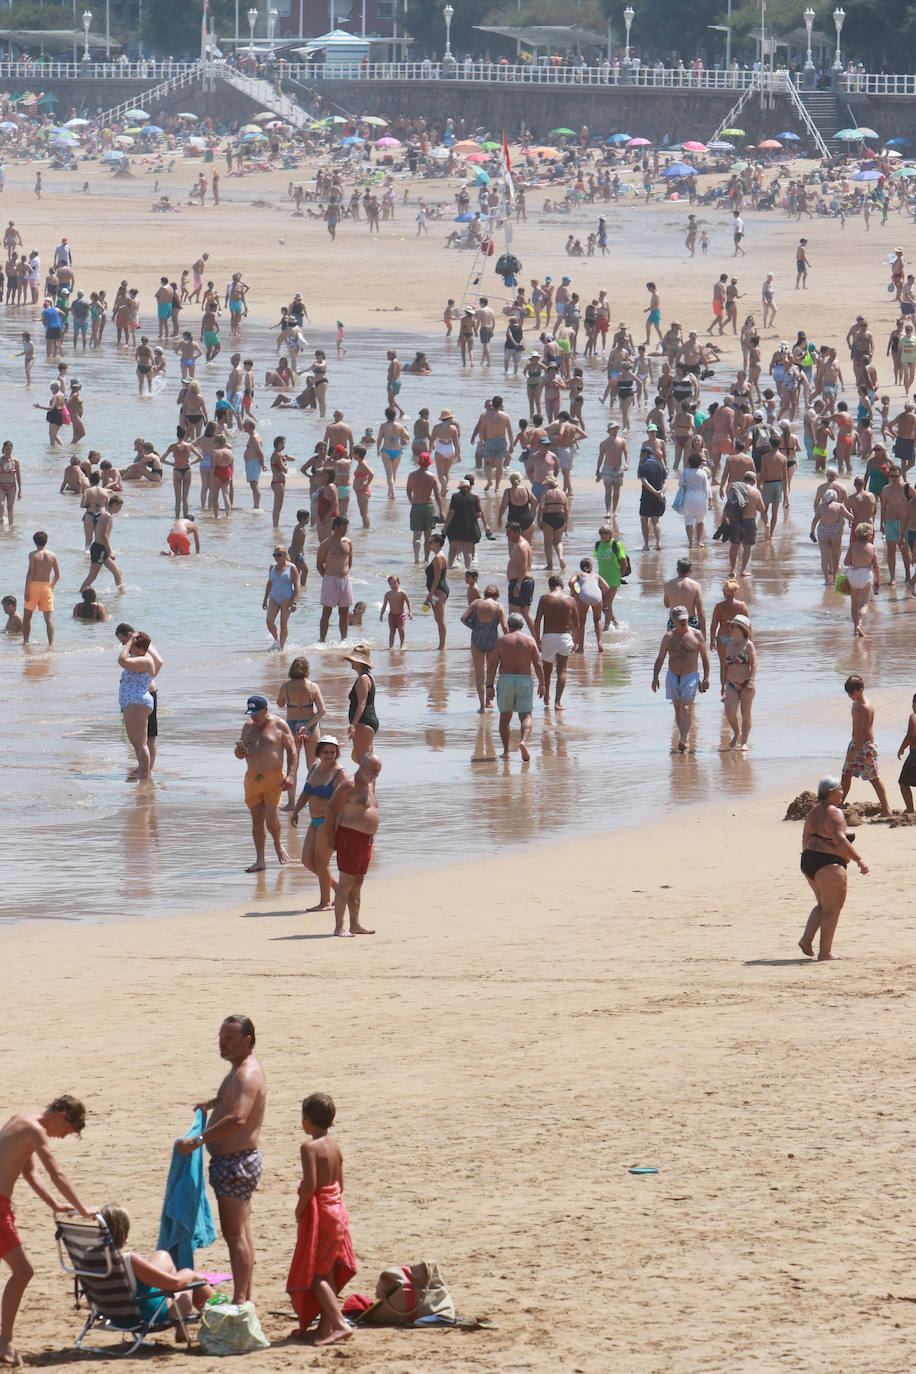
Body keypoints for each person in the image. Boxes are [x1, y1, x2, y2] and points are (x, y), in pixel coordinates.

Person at [176, 1016, 266, 1305]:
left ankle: (241, 1301)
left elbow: (238, 1117)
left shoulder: (246, 1073)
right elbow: (229, 1100)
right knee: (241, 1232)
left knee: (235, 1235)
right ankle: (245, 1297)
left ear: (247, 1041)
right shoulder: (239, 1070)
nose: (222, 1043)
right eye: (220, 1036)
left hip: (236, 1163)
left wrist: (199, 1140)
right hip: (233, 1162)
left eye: (229, 1038)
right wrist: (211, 1105)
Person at [0, 1096, 92, 1368]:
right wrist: (82, 1208)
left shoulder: (20, 1120)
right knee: (23, 1271)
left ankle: (4, 1340)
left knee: (21, 1270)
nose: (62, 1137)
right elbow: (56, 1173)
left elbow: (28, 1173)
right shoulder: (35, 1130)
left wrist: (55, 1204)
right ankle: (4, 1341)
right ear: (61, 1115)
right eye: (66, 1131)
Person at [287, 1093, 355, 1345]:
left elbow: (310, 1186)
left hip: (322, 1214)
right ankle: (325, 1327)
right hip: (338, 1210)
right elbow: (340, 1183)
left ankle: (340, 1324)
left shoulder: (309, 1148)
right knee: (328, 1271)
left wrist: (300, 1210)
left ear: (308, 1118)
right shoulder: (334, 1146)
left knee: (315, 1275)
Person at [99, 1206, 214, 1333]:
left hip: (116, 1315)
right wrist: (192, 1275)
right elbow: (175, 1283)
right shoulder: (129, 1260)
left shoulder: (89, 1258)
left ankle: (187, 1326)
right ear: (125, 1236)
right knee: (190, 1278)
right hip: (147, 1317)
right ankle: (224, 1316)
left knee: (162, 1255)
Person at [798, 776, 868, 960]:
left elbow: (805, 838)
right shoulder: (835, 812)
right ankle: (825, 952)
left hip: (808, 860)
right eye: (839, 790)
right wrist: (859, 860)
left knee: (822, 905)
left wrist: (808, 859)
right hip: (828, 863)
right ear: (831, 792)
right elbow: (839, 839)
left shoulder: (813, 812)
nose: (842, 793)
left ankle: (806, 940)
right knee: (832, 909)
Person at [234, 695, 296, 871]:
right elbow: (240, 751)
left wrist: (291, 775)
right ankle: (260, 860)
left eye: (256, 713)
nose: (253, 717)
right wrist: (239, 753)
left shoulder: (279, 725)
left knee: (271, 818)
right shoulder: (247, 728)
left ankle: (277, 843)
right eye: (251, 714)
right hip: (253, 778)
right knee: (256, 821)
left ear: (266, 710)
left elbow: (292, 751)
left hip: (274, 778)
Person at [325, 753, 382, 937]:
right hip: (350, 837)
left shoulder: (370, 784)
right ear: (362, 764)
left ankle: (355, 924)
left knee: (358, 881)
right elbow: (331, 810)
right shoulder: (349, 785)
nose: (376, 774)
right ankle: (339, 926)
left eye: (378, 771)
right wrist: (330, 838)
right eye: (373, 770)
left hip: (366, 840)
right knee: (346, 882)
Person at [290, 737, 348, 912]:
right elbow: (306, 793)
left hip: (329, 821)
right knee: (307, 860)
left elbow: (346, 801)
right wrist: (295, 811)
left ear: (337, 753)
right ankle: (338, 888)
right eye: (325, 752)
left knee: (321, 862)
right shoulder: (314, 767)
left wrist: (340, 828)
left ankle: (325, 902)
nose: (329, 756)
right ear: (318, 752)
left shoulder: (340, 774)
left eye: (333, 752)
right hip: (314, 820)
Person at [651, 606, 711, 753]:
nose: (683, 621)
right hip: (672, 675)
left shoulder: (696, 635)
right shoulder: (668, 637)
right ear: (673, 620)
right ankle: (683, 736)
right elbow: (660, 658)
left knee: (685, 708)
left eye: (685, 618)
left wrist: (706, 678)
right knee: (678, 710)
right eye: (679, 620)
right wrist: (655, 677)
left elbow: (705, 657)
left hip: (690, 676)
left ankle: (683, 738)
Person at [486, 614, 545, 761]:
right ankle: (523, 741)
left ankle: (506, 751)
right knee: (526, 715)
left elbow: (492, 665)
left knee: (505, 717)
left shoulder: (501, 641)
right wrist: (542, 684)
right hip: (524, 680)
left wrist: (489, 686)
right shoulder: (530, 640)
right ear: (522, 626)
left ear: (508, 625)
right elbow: (538, 664)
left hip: (506, 680)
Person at [277, 657, 326, 805]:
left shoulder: (285, 686)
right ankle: (312, 801)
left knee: (293, 767)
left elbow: (280, 704)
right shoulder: (313, 687)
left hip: (292, 726)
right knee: (312, 766)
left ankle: (291, 802)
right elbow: (322, 710)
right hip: (310, 726)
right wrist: (307, 725)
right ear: (307, 670)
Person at [841, 675, 890, 814]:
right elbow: (855, 728)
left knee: (873, 778)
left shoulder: (866, 708)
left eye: (852, 692)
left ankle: (886, 809)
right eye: (848, 693)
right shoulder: (855, 704)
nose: (850, 696)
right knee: (846, 774)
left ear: (861, 689)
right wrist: (852, 745)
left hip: (865, 747)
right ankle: (839, 803)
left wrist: (856, 750)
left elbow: (864, 731)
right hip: (854, 744)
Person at [117, 629, 161, 781]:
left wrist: (129, 642)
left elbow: (122, 660)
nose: (130, 650)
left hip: (137, 703)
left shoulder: (144, 660)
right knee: (138, 743)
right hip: (134, 702)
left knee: (140, 744)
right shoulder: (142, 660)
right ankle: (144, 772)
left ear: (140, 648)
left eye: (133, 647)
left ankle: (145, 775)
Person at [460, 584, 507, 711]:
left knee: (479, 674)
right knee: (491, 672)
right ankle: (488, 702)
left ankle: (481, 706)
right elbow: (504, 627)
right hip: (492, 640)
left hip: (477, 638)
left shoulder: (476, 603)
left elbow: (463, 618)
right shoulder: (498, 606)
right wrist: (508, 642)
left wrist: (474, 627)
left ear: (485, 594)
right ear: (496, 595)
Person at [533, 575, 576, 709]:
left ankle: (546, 697)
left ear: (550, 586)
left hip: (548, 637)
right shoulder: (570, 600)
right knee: (562, 671)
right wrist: (576, 640)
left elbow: (537, 620)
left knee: (547, 669)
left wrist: (538, 640)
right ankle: (557, 702)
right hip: (564, 636)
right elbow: (577, 623)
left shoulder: (544, 598)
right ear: (562, 586)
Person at [317, 517, 353, 643]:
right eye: (343, 528)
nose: (345, 531)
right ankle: (322, 640)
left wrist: (344, 574)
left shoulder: (348, 542)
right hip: (330, 579)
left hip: (345, 579)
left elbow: (349, 562)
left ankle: (344, 640)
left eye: (346, 528)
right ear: (336, 528)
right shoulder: (326, 544)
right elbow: (319, 564)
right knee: (327, 611)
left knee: (344, 612)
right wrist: (328, 578)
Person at [722, 613, 756, 751]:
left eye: (734, 626)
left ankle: (744, 742)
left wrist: (751, 680)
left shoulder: (748, 645)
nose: (731, 628)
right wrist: (723, 684)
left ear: (742, 629)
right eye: (731, 625)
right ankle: (736, 733)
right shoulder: (729, 643)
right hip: (731, 684)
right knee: (729, 711)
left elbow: (754, 664)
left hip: (746, 684)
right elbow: (725, 666)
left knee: (745, 713)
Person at [22, 530, 59, 646]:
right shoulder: (53, 555)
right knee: (49, 619)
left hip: (33, 586)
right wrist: (51, 586)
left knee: (27, 617)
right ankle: (51, 643)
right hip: (46, 586)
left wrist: (26, 590)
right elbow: (57, 575)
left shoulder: (33, 555)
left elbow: (30, 572)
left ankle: (26, 641)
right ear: (46, 541)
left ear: (34, 541)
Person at [844, 522, 880, 638]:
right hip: (865, 575)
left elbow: (846, 562)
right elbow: (876, 566)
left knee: (854, 604)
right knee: (864, 604)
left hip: (853, 574)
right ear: (870, 535)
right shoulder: (872, 547)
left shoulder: (852, 546)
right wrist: (877, 581)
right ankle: (859, 624)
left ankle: (855, 629)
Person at [262, 545, 300, 651]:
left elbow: (297, 585)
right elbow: (269, 583)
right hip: (274, 597)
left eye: (279, 555)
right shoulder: (272, 567)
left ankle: (281, 648)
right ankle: (276, 640)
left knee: (283, 624)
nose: (276, 557)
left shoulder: (292, 567)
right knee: (269, 621)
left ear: (285, 555)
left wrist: (294, 602)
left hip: (287, 598)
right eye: (275, 555)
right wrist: (265, 599)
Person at [346, 646, 378, 760]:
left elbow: (362, 703)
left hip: (363, 722)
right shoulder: (369, 677)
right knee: (367, 761)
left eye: (354, 660)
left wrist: (353, 724)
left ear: (360, 662)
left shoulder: (363, 679)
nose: (351, 662)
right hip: (368, 721)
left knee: (363, 763)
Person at [425, 533, 449, 650]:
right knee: (438, 618)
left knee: (440, 619)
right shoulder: (442, 555)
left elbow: (437, 577)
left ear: (438, 543)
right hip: (440, 589)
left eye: (430, 543)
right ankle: (441, 645)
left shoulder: (438, 558)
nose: (428, 545)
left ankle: (442, 646)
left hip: (438, 590)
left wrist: (430, 594)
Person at [897, 693, 916, 813]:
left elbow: (910, 735)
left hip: (915, 755)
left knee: (903, 783)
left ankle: (910, 810)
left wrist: (902, 748)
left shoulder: (914, 716)